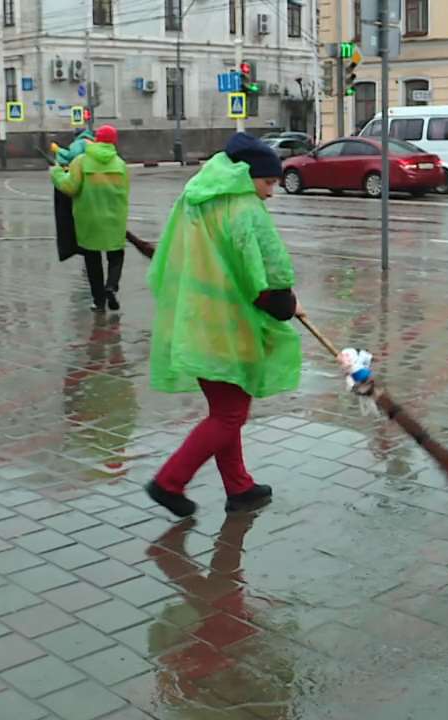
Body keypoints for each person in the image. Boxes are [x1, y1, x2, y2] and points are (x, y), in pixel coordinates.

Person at [145, 132, 303, 517]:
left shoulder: (196, 200)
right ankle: (169, 482)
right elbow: (266, 273)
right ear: (246, 176)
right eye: (268, 182)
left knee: (225, 410)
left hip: (197, 317)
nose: (271, 192)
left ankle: (240, 487)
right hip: (230, 324)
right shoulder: (244, 208)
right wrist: (286, 303)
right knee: (230, 414)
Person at [51, 125, 130, 311]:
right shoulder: (120, 164)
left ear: (96, 139)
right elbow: (125, 192)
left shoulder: (81, 161)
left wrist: (56, 173)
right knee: (116, 256)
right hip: (114, 217)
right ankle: (111, 286)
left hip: (88, 218)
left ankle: (99, 301)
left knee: (92, 260)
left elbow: (70, 188)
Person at [52, 129, 95, 263]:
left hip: (77, 176)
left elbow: (73, 156)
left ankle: (79, 246)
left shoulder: (80, 142)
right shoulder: (92, 143)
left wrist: (58, 150)